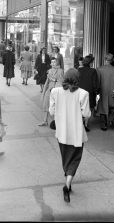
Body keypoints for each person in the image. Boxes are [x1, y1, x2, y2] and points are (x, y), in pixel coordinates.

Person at [49, 68, 91, 203]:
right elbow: (86, 114)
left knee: (66, 158)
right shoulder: (83, 94)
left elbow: (51, 112)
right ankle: (67, 185)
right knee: (75, 158)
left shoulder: (55, 91)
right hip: (77, 132)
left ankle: (68, 183)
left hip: (62, 132)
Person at [96, 53, 114, 131]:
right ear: (112, 60)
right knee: (113, 107)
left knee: (102, 106)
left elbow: (97, 82)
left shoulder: (99, 69)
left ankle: (103, 124)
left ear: (105, 59)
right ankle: (111, 121)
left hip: (103, 91)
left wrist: (97, 91)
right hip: (112, 91)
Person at [38, 57, 64, 126]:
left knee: (56, 105)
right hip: (49, 89)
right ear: (50, 64)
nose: (53, 64)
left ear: (57, 63)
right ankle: (45, 121)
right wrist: (43, 92)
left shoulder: (60, 71)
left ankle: (55, 122)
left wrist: (54, 79)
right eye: (52, 62)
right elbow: (47, 82)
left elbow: (61, 81)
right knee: (46, 104)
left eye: (54, 62)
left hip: (57, 89)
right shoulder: (49, 71)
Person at [78, 54, 98, 132]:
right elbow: (95, 84)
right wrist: (97, 91)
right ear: (91, 63)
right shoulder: (93, 71)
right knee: (89, 108)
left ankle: (81, 123)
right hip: (89, 93)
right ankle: (85, 124)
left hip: (79, 92)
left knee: (80, 108)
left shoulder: (79, 70)